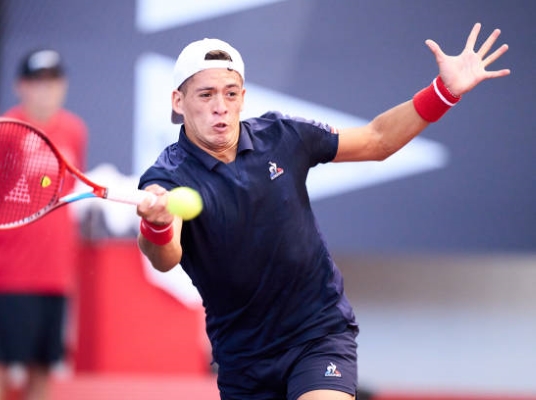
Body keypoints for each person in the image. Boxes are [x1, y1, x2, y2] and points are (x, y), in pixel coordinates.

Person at [136, 23, 510, 400]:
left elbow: (376, 140)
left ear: (243, 96)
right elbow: (166, 258)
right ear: (178, 102)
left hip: (317, 334)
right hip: (243, 358)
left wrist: (443, 93)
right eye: (206, 95)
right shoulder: (167, 177)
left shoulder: (282, 136)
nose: (221, 106)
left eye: (230, 93)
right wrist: (157, 225)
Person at [0, 49, 88, 400]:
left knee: (42, 370)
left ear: (63, 86)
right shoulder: (5, 131)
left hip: (54, 276)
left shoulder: (74, 131)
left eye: (53, 82)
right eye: (37, 82)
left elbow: (64, 199)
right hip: (11, 275)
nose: (46, 90)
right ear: (20, 86)